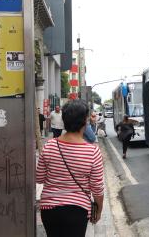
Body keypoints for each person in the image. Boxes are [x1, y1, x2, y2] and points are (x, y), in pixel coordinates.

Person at [36, 100, 104, 237]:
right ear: (84, 122)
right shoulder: (92, 152)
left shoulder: (49, 146)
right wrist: (99, 211)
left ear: (64, 120)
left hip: (49, 209)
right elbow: (97, 189)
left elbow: (39, 178)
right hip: (77, 210)